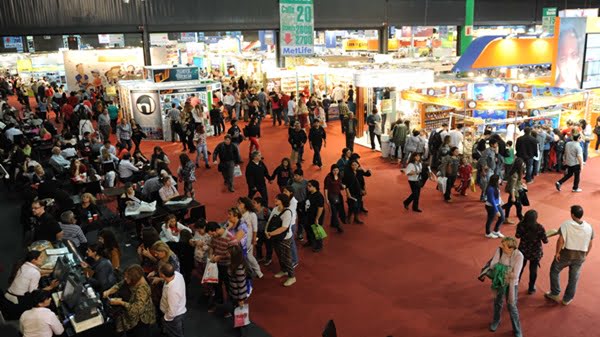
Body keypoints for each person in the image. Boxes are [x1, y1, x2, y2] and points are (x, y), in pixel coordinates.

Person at [545, 205, 594, 305]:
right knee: (574, 278)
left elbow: (560, 240)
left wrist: (557, 253)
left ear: (572, 214)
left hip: (566, 254)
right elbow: (590, 243)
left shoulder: (566, 224)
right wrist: (585, 255)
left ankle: (555, 293)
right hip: (580, 256)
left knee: (554, 270)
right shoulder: (589, 227)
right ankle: (567, 299)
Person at [103, 264, 156, 336]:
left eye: (127, 277)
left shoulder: (142, 290)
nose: (125, 278)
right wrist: (109, 291)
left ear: (134, 279)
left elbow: (136, 310)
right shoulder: (133, 279)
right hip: (131, 316)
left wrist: (121, 303)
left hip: (141, 320)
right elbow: (120, 284)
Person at [486, 237, 524, 337]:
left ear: (511, 248)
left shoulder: (519, 256)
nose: (501, 247)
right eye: (502, 245)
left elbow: (515, 275)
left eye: (504, 246)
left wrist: (501, 269)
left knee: (512, 306)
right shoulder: (499, 250)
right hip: (499, 282)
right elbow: (492, 265)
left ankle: (517, 329)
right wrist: (507, 271)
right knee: (497, 302)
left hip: (512, 284)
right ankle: (496, 321)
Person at [265, 193, 296, 287]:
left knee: (287, 257)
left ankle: (292, 276)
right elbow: (269, 221)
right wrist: (266, 231)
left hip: (284, 238)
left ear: (282, 201)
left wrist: (270, 233)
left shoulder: (287, 212)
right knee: (279, 255)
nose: (275, 200)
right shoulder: (275, 209)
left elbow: (284, 228)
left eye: (277, 199)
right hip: (275, 237)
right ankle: (284, 270)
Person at [514, 210, 548, 294]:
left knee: (520, 268)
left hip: (523, 250)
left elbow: (517, 236)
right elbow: (545, 241)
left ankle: (515, 284)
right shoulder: (539, 227)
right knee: (533, 269)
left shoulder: (521, 225)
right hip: (535, 251)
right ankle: (531, 288)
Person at [206, 221, 237, 311]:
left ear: (216, 230)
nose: (212, 236)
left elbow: (234, 253)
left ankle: (231, 307)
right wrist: (211, 254)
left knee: (229, 287)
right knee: (216, 284)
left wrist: (220, 257)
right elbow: (212, 246)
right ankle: (219, 303)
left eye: (212, 234)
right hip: (216, 265)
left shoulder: (230, 238)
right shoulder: (214, 237)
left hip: (227, 266)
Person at [237, 197, 263, 278]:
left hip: (248, 240)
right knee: (243, 257)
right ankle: (249, 271)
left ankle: (258, 271)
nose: (238, 205)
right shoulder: (238, 214)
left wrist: (254, 240)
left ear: (245, 205)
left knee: (249, 256)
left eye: (240, 203)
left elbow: (255, 229)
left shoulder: (252, 215)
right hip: (240, 240)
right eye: (238, 203)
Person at [343, 160, 371, 224]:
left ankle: (356, 218)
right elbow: (346, 185)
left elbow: (362, 181)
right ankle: (349, 217)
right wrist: (348, 194)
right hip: (351, 192)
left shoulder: (360, 172)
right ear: (350, 166)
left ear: (358, 165)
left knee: (358, 205)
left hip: (359, 191)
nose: (354, 166)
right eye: (353, 165)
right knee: (352, 205)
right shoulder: (348, 174)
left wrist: (364, 189)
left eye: (356, 164)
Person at [324, 164, 346, 232]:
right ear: (331, 170)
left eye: (337, 170)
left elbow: (339, 184)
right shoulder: (328, 177)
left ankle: (333, 223)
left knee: (337, 210)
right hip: (331, 196)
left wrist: (342, 186)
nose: (336, 171)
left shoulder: (339, 176)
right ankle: (338, 226)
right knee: (333, 211)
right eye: (334, 170)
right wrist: (326, 198)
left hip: (338, 195)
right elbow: (326, 189)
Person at [503, 158, 525, 224]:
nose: (523, 165)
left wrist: (521, 184)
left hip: (516, 191)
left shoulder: (516, 172)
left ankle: (501, 212)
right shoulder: (515, 175)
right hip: (514, 193)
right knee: (518, 206)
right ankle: (521, 219)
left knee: (509, 204)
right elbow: (512, 187)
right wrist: (513, 196)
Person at [305, 180, 325, 252]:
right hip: (309, 215)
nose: (307, 187)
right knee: (308, 229)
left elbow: (320, 208)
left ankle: (319, 245)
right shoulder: (309, 193)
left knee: (317, 230)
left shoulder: (319, 196)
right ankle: (310, 241)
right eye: (307, 185)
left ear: (315, 187)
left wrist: (317, 218)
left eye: (310, 186)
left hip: (316, 216)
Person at [484, 174, 505, 239]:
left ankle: (496, 230)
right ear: (495, 180)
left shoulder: (496, 186)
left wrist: (500, 201)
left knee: (502, 218)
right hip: (491, 206)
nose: (500, 180)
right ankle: (487, 233)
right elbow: (492, 200)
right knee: (490, 219)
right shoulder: (490, 189)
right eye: (499, 179)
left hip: (496, 204)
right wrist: (496, 210)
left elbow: (497, 196)